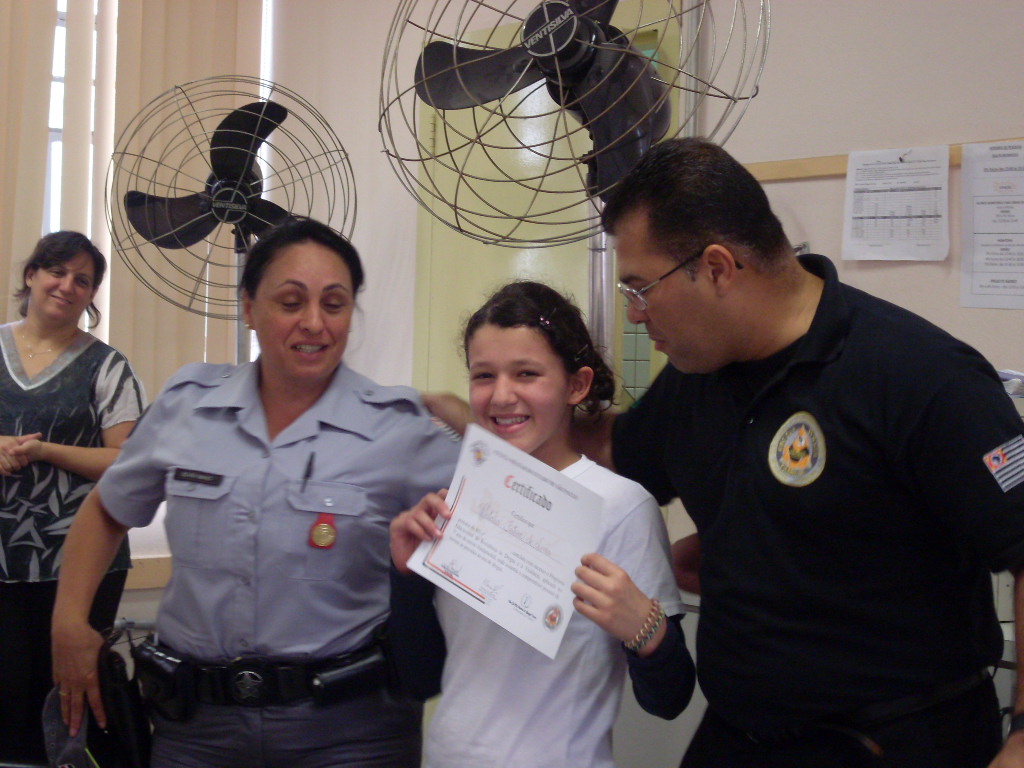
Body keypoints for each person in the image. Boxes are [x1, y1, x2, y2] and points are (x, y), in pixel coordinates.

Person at [581, 137, 1023, 767]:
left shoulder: (920, 376)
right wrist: (484, 432)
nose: (635, 316)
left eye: (640, 289)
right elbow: (610, 456)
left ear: (717, 268)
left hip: (893, 739)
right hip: (742, 734)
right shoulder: (695, 380)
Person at [51, 218, 461, 768]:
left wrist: (480, 428)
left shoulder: (398, 427)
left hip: (349, 732)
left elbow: (503, 518)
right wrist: (68, 621)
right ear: (249, 306)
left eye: (334, 304)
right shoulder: (189, 404)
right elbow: (107, 509)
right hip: (197, 730)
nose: (314, 323)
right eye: (291, 302)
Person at [390, 280, 696, 768]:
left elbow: (669, 699)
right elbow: (421, 678)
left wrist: (646, 627)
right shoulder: (459, 496)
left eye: (527, 374)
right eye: (483, 375)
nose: (501, 395)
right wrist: (406, 575)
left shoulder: (620, 506)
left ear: (576, 385)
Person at [0, 231, 146, 765]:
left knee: (67, 707)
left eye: (82, 280)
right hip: (4, 560)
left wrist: (44, 450)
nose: (67, 286)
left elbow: (127, 462)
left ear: (91, 296)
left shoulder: (108, 367)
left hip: (81, 567)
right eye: (57, 272)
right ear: (31, 275)